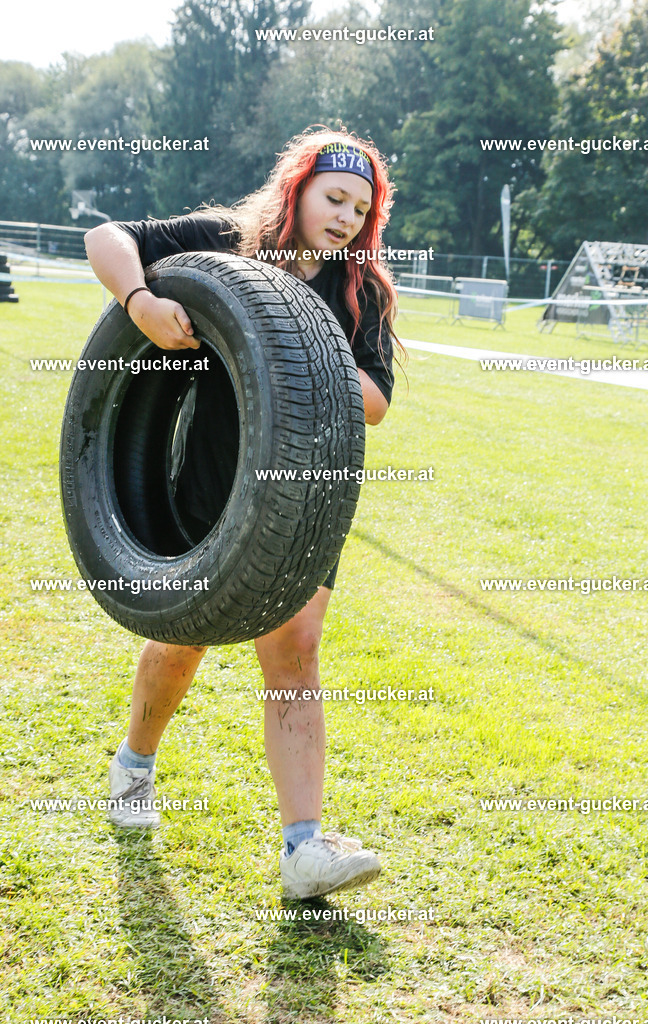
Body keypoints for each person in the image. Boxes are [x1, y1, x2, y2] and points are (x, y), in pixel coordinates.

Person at [84, 126, 399, 900]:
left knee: (295, 650)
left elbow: (378, 403)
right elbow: (106, 236)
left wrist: (302, 344)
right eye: (334, 198)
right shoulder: (228, 242)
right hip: (214, 481)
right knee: (180, 639)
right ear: (297, 190)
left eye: (360, 208)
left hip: (307, 493)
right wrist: (142, 299)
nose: (346, 218)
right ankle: (134, 765)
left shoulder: (365, 290)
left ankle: (303, 852)